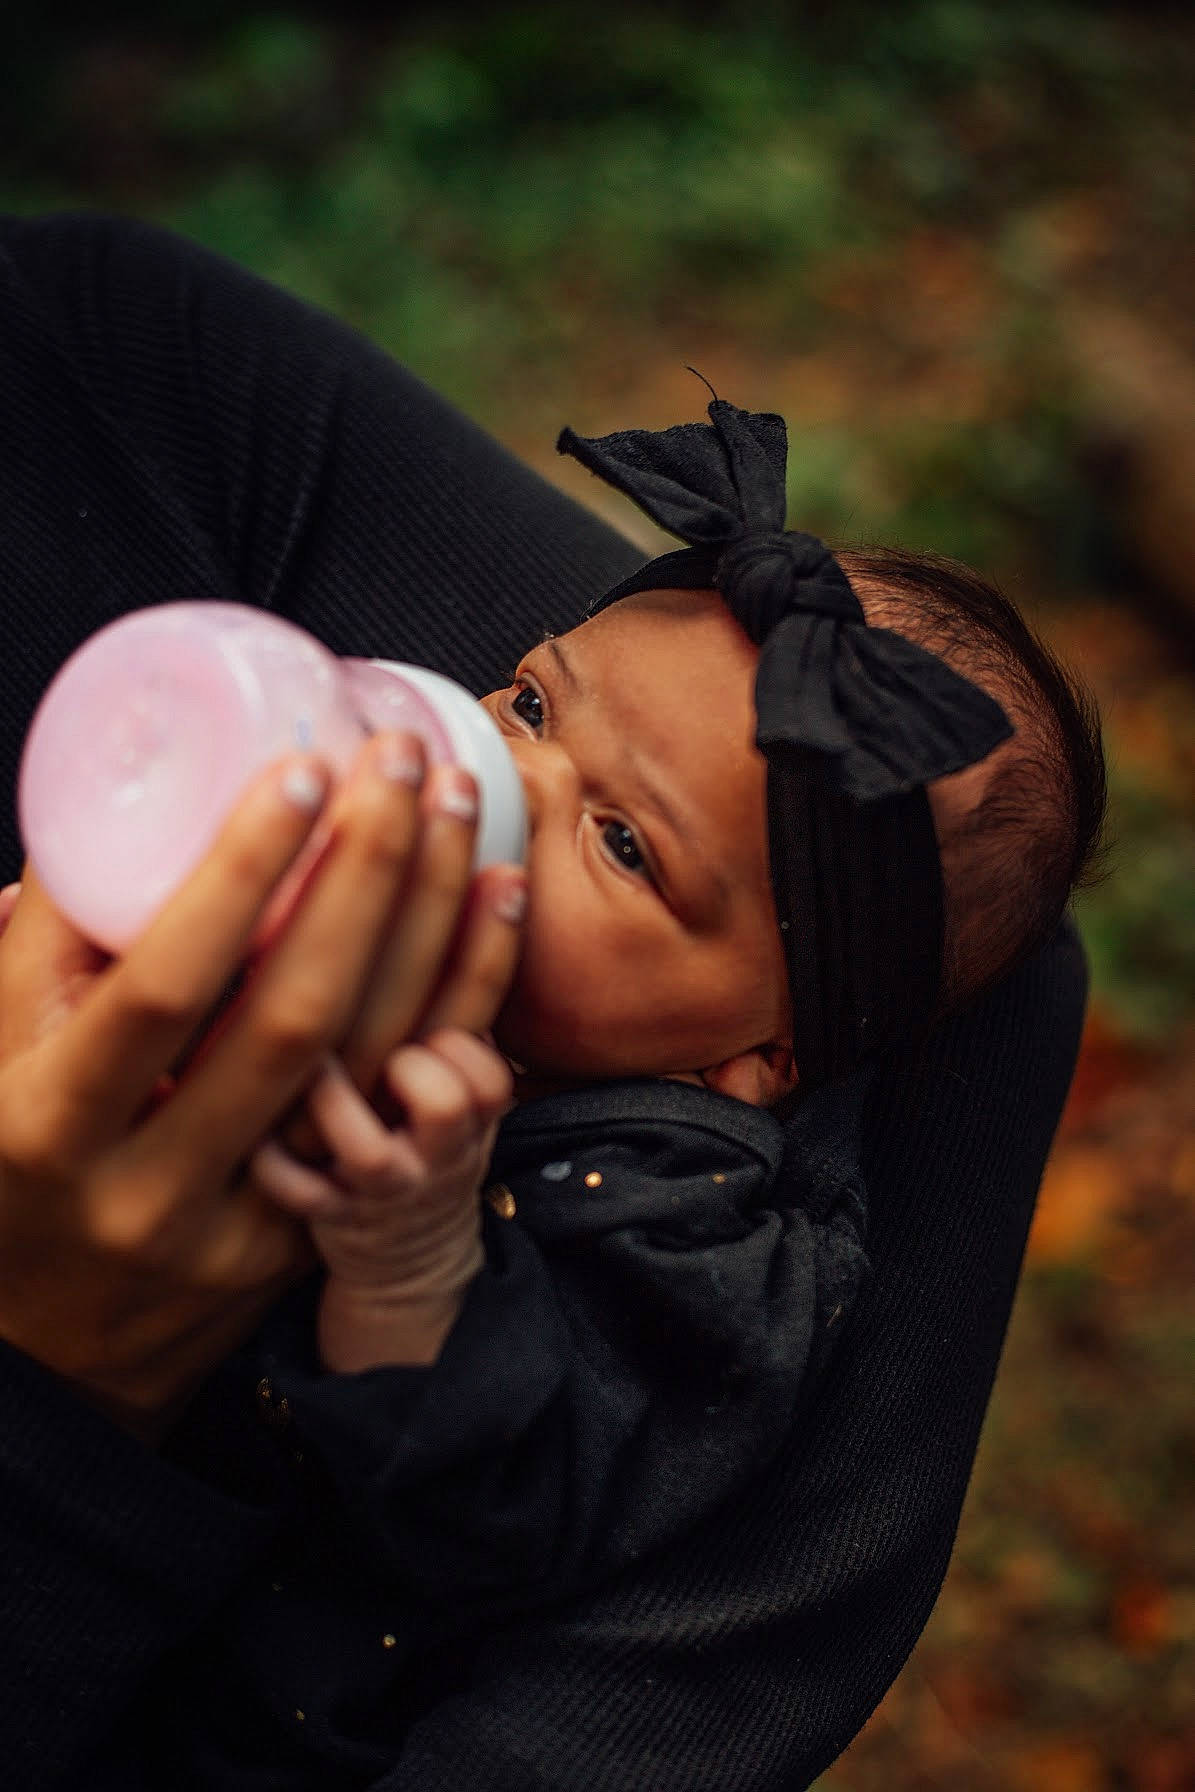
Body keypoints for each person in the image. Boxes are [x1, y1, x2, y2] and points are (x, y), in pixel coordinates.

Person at [0, 211, 1094, 1790]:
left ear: (755, 1060)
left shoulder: (675, 1228)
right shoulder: (410, 914)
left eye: (625, 842)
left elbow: (501, 1517)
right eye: (526, 701)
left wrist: (413, 1261)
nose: (496, 778)